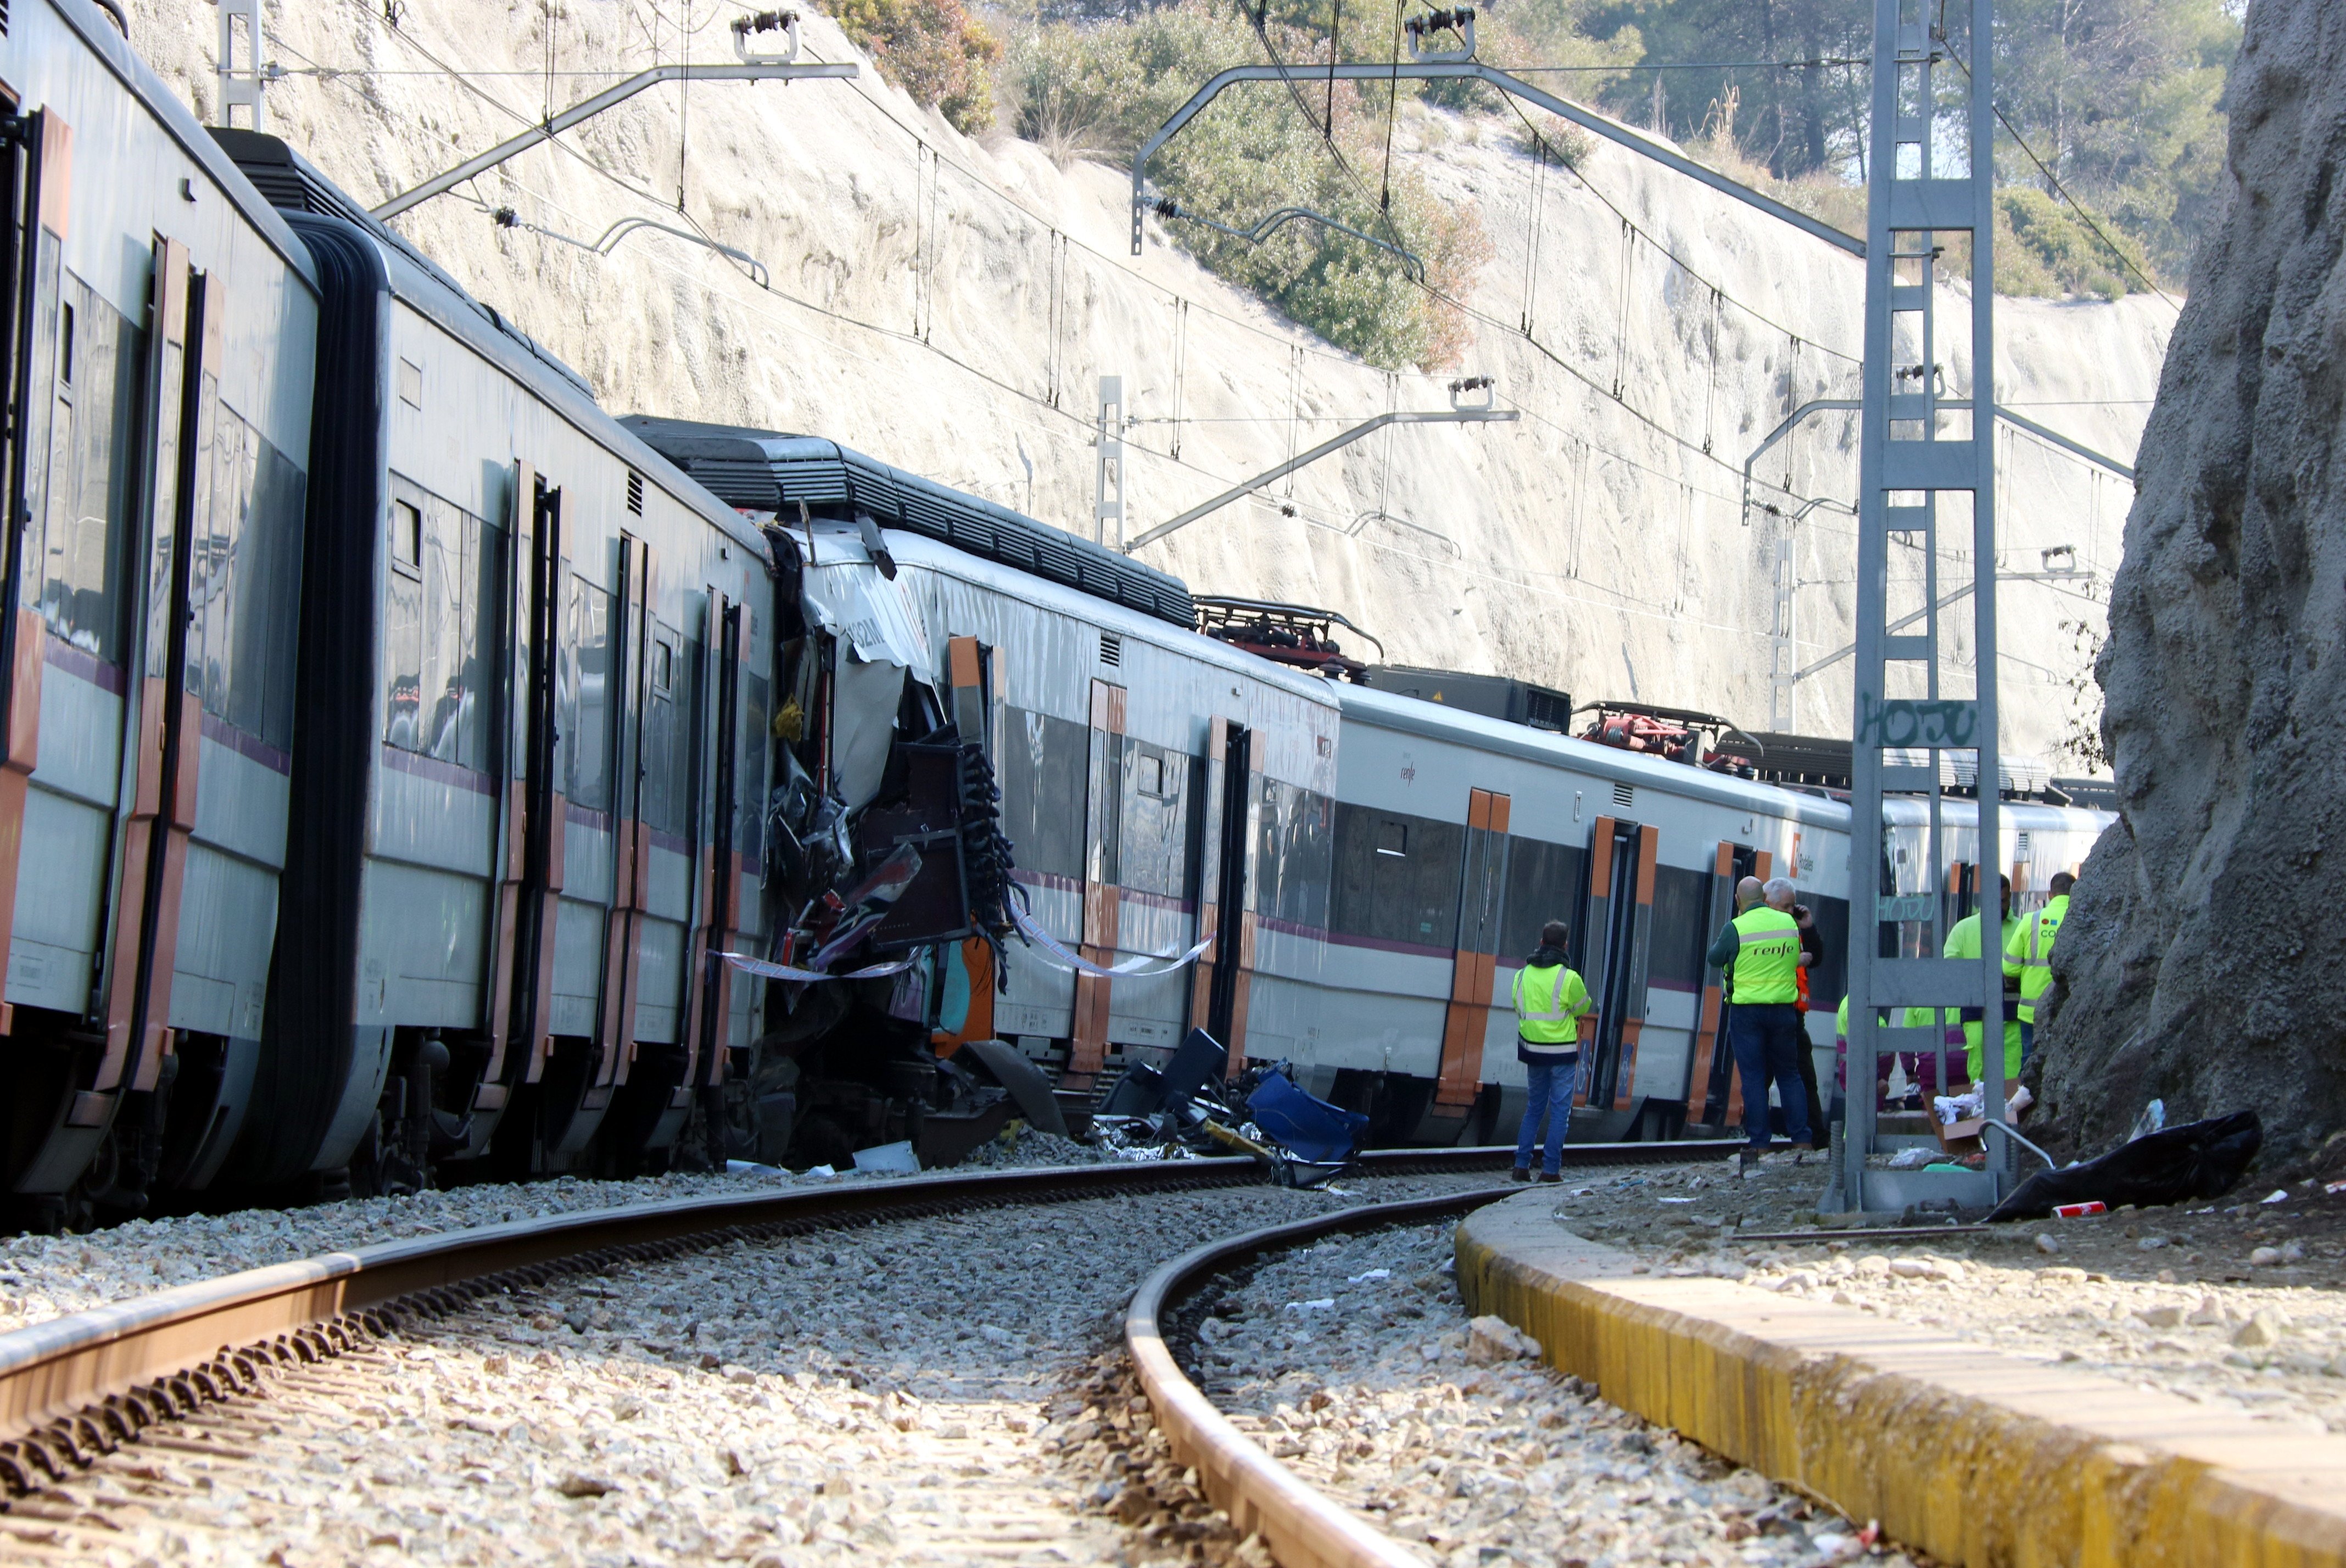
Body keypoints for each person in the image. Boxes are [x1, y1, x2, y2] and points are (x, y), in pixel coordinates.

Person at [1705, 876, 1812, 1171]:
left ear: (1739, 901)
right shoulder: (1788, 924)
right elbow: (1796, 957)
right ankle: (1802, 1140)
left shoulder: (1736, 927)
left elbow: (1715, 959)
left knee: (1753, 1078)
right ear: (1764, 897)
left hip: (1747, 1012)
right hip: (1782, 1010)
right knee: (1789, 1075)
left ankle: (1760, 1143)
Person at [1510, 918, 1593, 1183]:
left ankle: (1521, 1166)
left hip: (1532, 1050)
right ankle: (1550, 1170)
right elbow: (1584, 1007)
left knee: (1534, 1107)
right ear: (1565, 946)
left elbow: (1517, 1005)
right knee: (1559, 1111)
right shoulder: (1569, 978)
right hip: (1562, 1054)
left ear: (1541, 942)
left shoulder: (1522, 975)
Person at [1943, 875, 2023, 1085]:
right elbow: (1949, 969)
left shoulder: (2021, 928)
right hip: (1976, 1010)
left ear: (2010, 899)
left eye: (2003, 901)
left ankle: (2008, 1111)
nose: (1999, 907)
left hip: (2013, 1012)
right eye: (1994, 902)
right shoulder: (1963, 929)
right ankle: (1981, 1111)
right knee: (1978, 1066)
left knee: (2012, 1069)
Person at [2004, 871, 2074, 1063]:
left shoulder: (2032, 920)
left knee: (2030, 1059)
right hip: (2069, 1007)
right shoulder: (2081, 920)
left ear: (2050, 895)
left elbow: (2009, 968)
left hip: (2031, 1009)